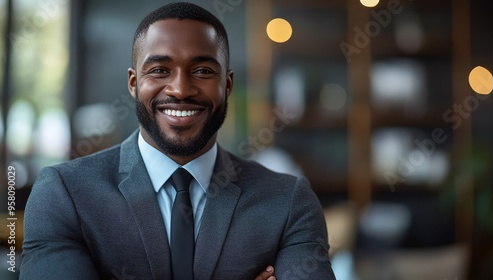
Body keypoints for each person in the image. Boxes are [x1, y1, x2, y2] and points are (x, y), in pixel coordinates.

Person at [20, 2, 336, 279]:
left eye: (201, 70)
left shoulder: (288, 201)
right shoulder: (64, 195)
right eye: (159, 70)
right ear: (134, 83)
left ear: (227, 85)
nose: (180, 89)